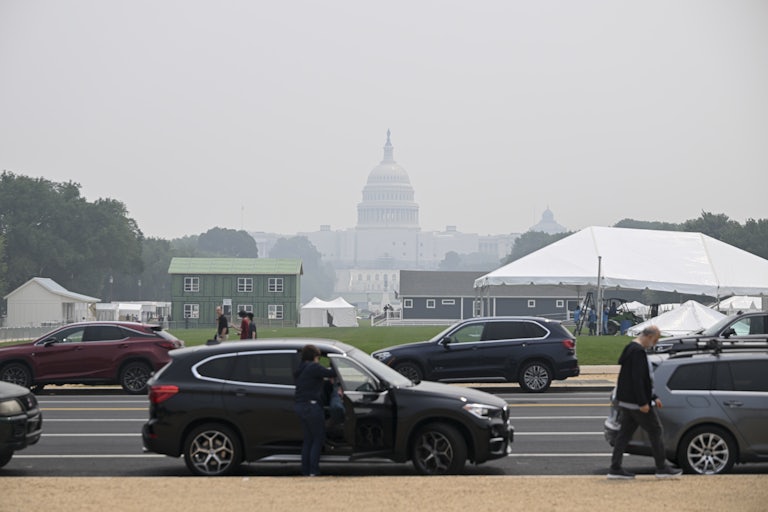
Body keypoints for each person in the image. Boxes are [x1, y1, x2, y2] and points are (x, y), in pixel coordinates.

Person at [608, 325, 682, 480]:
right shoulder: (638, 352)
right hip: (636, 403)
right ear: (649, 337)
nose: (654, 344)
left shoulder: (630, 348)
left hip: (627, 401)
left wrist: (653, 397)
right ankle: (661, 468)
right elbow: (639, 379)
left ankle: (615, 467)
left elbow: (635, 378)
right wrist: (644, 402)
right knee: (656, 431)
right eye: (654, 340)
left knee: (624, 434)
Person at [293, 344, 336, 476]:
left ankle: (306, 471)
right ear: (314, 357)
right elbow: (332, 373)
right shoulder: (314, 367)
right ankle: (314, 470)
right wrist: (334, 361)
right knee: (318, 438)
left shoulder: (301, 368)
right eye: (318, 357)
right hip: (311, 406)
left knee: (308, 439)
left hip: (300, 405)